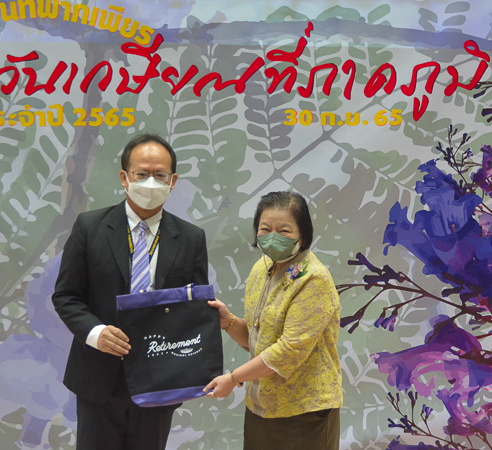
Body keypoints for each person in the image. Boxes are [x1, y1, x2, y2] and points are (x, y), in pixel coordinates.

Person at [52, 133, 209, 450]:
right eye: (142, 174)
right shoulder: (90, 227)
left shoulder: (191, 238)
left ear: (173, 181)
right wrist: (95, 332)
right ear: (125, 178)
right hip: (99, 377)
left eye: (160, 175)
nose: (151, 182)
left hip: (159, 383)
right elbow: (66, 296)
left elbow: (194, 308)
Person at [203, 191, 342, 450]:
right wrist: (228, 321)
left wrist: (233, 378)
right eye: (265, 229)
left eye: (284, 230)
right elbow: (260, 339)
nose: (273, 236)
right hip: (261, 408)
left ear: (303, 234)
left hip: (305, 413)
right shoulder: (262, 268)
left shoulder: (314, 279)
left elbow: (288, 351)